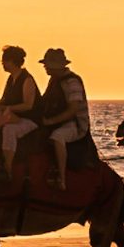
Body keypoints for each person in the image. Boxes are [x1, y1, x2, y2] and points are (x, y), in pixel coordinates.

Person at [36, 47, 87, 193]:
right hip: (58, 121)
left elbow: (73, 110)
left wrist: (51, 122)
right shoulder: (54, 80)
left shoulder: (72, 82)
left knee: (57, 137)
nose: (45, 67)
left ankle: (61, 177)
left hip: (74, 124)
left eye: (47, 64)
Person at [0, 45, 40, 179]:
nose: (3, 64)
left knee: (9, 130)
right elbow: (5, 99)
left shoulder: (27, 79)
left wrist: (8, 108)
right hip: (15, 116)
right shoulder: (11, 79)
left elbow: (28, 105)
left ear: (13, 61)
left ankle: (8, 168)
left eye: (4, 61)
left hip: (30, 119)